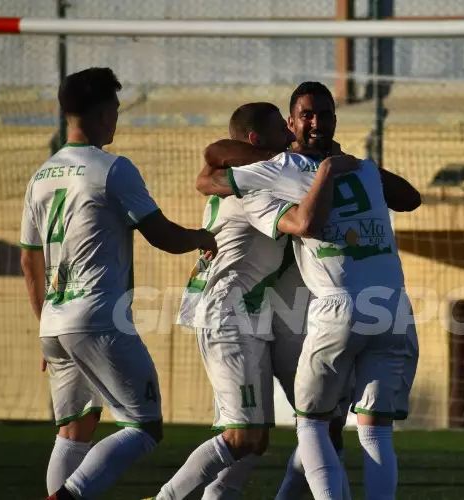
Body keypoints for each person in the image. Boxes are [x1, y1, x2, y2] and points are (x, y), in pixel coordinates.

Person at [19, 67, 217, 500]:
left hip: (54, 321)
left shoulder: (41, 176)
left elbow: (29, 261)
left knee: (76, 428)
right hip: (98, 318)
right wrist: (203, 238)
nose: (116, 120)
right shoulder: (112, 169)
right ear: (101, 112)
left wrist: (45, 326)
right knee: (145, 426)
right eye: (115, 110)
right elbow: (162, 235)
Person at [215, 81, 421, 500]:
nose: (315, 122)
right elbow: (411, 199)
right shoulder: (362, 167)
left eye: (323, 114)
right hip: (394, 309)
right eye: (306, 114)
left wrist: (326, 168)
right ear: (290, 123)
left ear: (333, 121)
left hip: (340, 307)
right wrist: (359, 166)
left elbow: (209, 178)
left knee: (312, 424)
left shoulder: (283, 167)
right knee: (376, 430)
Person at [150, 102, 359, 500]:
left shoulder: (253, 173)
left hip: (257, 312)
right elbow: (213, 161)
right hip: (228, 312)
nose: (290, 134)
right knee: (245, 436)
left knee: (272, 435)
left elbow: (212, 162)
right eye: (283, 129)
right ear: (255, 140)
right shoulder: (262, 178)